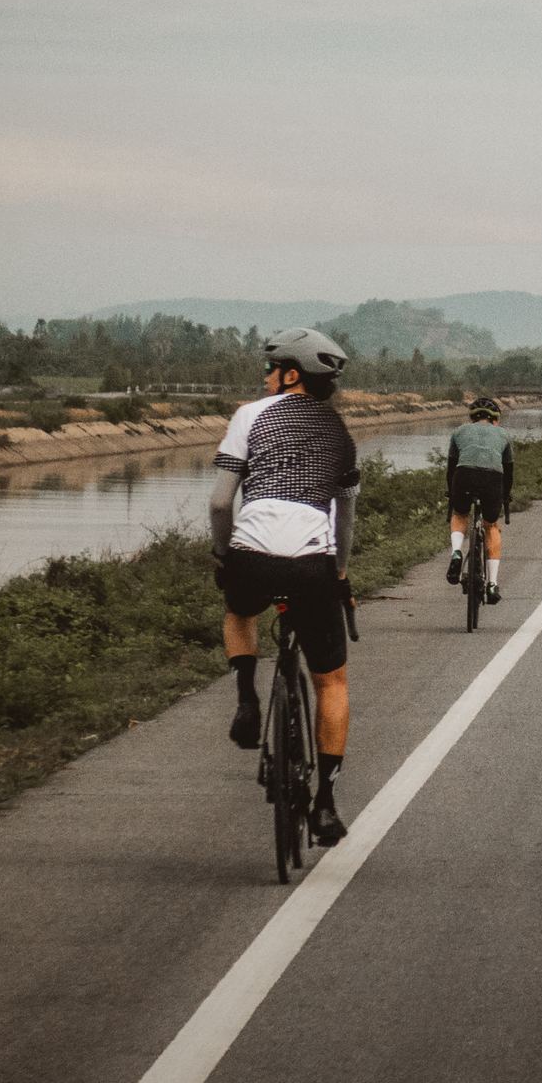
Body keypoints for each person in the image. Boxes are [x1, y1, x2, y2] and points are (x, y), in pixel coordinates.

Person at [210, 326, 359, 845]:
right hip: (312, 568)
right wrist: (340, 575)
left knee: (239, 611)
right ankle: (326, 804)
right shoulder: (341, 434)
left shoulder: (250, 416)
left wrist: (224, 555)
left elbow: (220, 502)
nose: (266, 378)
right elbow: (344, 521)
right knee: (332, 684)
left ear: (290, 374)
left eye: (271, 370)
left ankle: (248, 700)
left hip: (252, 557)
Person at [446, 395, 515, 602]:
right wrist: (505, 496)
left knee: (460, 514)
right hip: (492, 479)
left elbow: (451, 467)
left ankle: (457, 552)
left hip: (463, 476)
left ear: (472, 418)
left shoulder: (459, 431)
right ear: (495, 419)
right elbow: (509, 471)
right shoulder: (503, 435)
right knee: (491, 525)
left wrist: (452, 492)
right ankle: (492, 585)